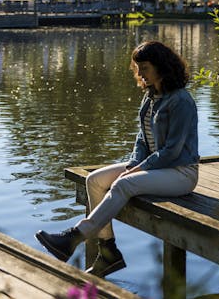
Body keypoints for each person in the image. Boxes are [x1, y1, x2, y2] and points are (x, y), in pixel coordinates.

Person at [35, 40, 200, 277]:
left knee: (124, 183)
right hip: (153, 168)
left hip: (181, 173)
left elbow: (172, 151)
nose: (140, 73)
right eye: (138, 68)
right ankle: (108, 253)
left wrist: (138, 170)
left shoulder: (181, 100)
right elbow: (142, 140)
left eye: (144, 67)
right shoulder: (150, 97)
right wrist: (134, 163)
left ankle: (75, 236)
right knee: (94, 180)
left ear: (161, 66)